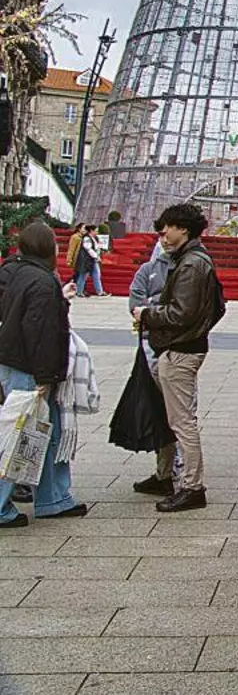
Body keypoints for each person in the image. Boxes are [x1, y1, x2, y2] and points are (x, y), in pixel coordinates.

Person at [130, 203, 221, 513]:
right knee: (171, 416)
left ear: (183, 228)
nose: (163, 233)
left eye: (167, 227)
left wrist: (147, 314)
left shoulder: (192, 264)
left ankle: (193, 487)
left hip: (182, 350)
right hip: (181, 346)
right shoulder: (192, 259)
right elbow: (215, 308)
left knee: (182, 422)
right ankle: (166, 475)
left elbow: (181, 313)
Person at [0, 222, 86, 527]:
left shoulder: (14, 272)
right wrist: (46, 377)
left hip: (13, 360)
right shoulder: (42, 281)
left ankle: (54, 497)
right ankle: (8, 504)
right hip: (30, 366)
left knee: (44, 432)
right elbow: (41, 332)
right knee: (22, 435)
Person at [74, 224, 104, 297]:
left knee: (96, 275)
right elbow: (88, 249)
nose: (97, 232)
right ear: (91, 231)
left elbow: (97, 248)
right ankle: (79, 292)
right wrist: (96, 256)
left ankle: (100, 291)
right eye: (96, 231)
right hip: (86, 260)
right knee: (83, 275)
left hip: (93, 260)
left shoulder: (95, 238)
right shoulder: (86, 238)